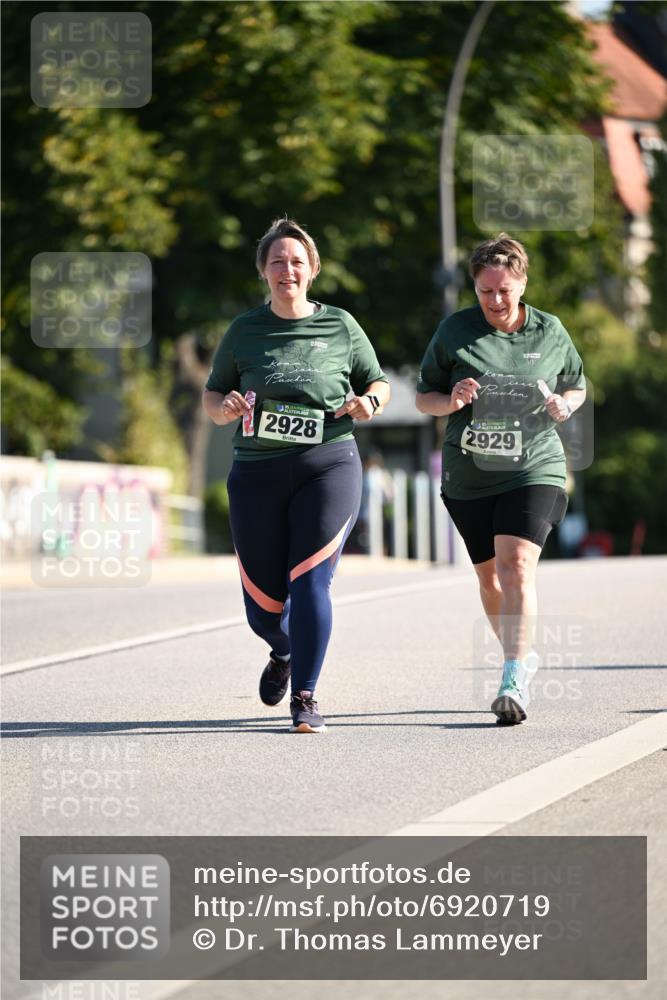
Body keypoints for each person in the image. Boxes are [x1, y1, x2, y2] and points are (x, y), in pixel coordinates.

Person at [203, 217, 390, 732]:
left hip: (328, 463)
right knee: (263, 610)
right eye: (278, 261)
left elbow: (377, 380)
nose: (288, 269)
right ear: (264, 271)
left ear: (313, 271)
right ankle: (283, 650)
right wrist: (226, 409)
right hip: (257, 471)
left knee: (310, 583)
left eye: (297, 261)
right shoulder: (244, 330)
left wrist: (370, 400)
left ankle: (305, 696)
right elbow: (213, 396)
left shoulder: (341, 326)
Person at [416, 234, 586, 725]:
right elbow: (425, 395)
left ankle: (513, 677)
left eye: (504, 291)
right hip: (470, 474)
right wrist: (450, 400)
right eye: (485, 291)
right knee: (489, 577)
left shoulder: (550, 332)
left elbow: (575, 382)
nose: (494, 301)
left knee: (515, 566)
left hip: (535, 464)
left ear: (522, 283)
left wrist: (564, 404)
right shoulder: (454, 333)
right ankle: (521, 652)